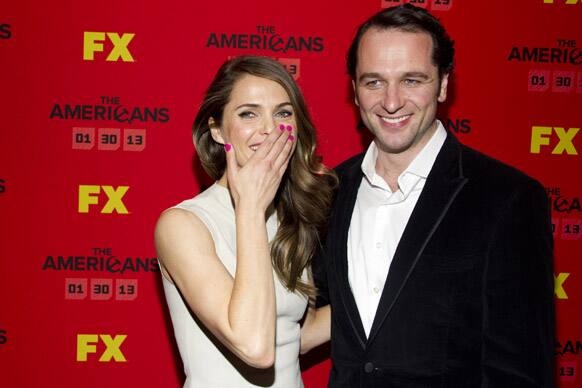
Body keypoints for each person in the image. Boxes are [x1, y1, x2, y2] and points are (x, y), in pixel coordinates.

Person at [313, 4, 555, 387]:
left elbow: (522, 371)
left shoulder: (507, 198)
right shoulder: (328, 190)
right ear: (354, 90)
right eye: (374, 81)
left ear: (443, 84)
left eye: (412, 80)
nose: (391, 102)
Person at [155, 55, 335, 388]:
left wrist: (385, 297)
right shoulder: (184, 224)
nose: (269, 128)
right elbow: (254, 346)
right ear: (217, 130)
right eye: (248, 113)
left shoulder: (291, 219)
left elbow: (299, 334)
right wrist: (250, 208)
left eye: (282, 112)